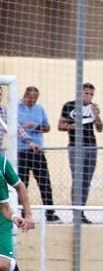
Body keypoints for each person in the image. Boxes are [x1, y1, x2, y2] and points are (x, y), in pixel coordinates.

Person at [58, 82, 103, 223]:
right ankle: (75, 213)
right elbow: (60, 126)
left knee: (86, 181)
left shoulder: (93, 108)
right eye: (86, 93)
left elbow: (100, 128)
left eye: (91, 94)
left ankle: (81, 212)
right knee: (77, 180)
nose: (89, 96)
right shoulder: (69, 105)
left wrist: (97, 116)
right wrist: (73, 126)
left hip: (91, 146)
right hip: (75, 146)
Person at [0, 152, 36, 271]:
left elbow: (5, 208)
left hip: (1, 222)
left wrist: (21, 217)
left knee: (3, 265)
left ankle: (12, 264)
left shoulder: (2, 164)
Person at [16, 86, 57, 223]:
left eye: (35, 99)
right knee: (22, 183)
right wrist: (23, 127)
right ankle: (21, 213)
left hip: (37, 151)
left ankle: (50, 213)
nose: (33, 101)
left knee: (44, 181)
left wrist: (37, 127)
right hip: (21, 151)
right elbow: (10, 127)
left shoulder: (40, 109)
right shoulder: (15, 107)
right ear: (25, 96)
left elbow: (48, 127)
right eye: (31, 98)